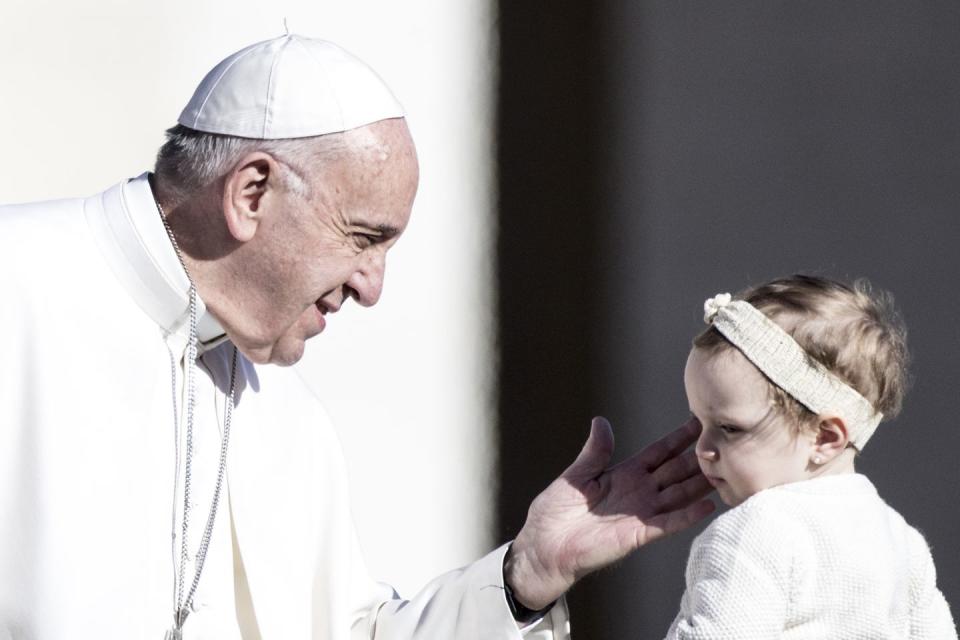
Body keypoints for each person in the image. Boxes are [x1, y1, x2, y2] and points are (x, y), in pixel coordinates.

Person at [0, 34, 714, 639]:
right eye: (363, 238)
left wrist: (523, 576)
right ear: (252, 193)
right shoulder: (16, 288)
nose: (372, 287)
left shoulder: (281, 408)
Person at [664, 274, 957, 638]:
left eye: (730, 428)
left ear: (824, 437)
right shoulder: (902, 541)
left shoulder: (756, 529)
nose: (702, 450)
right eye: (699, 423)